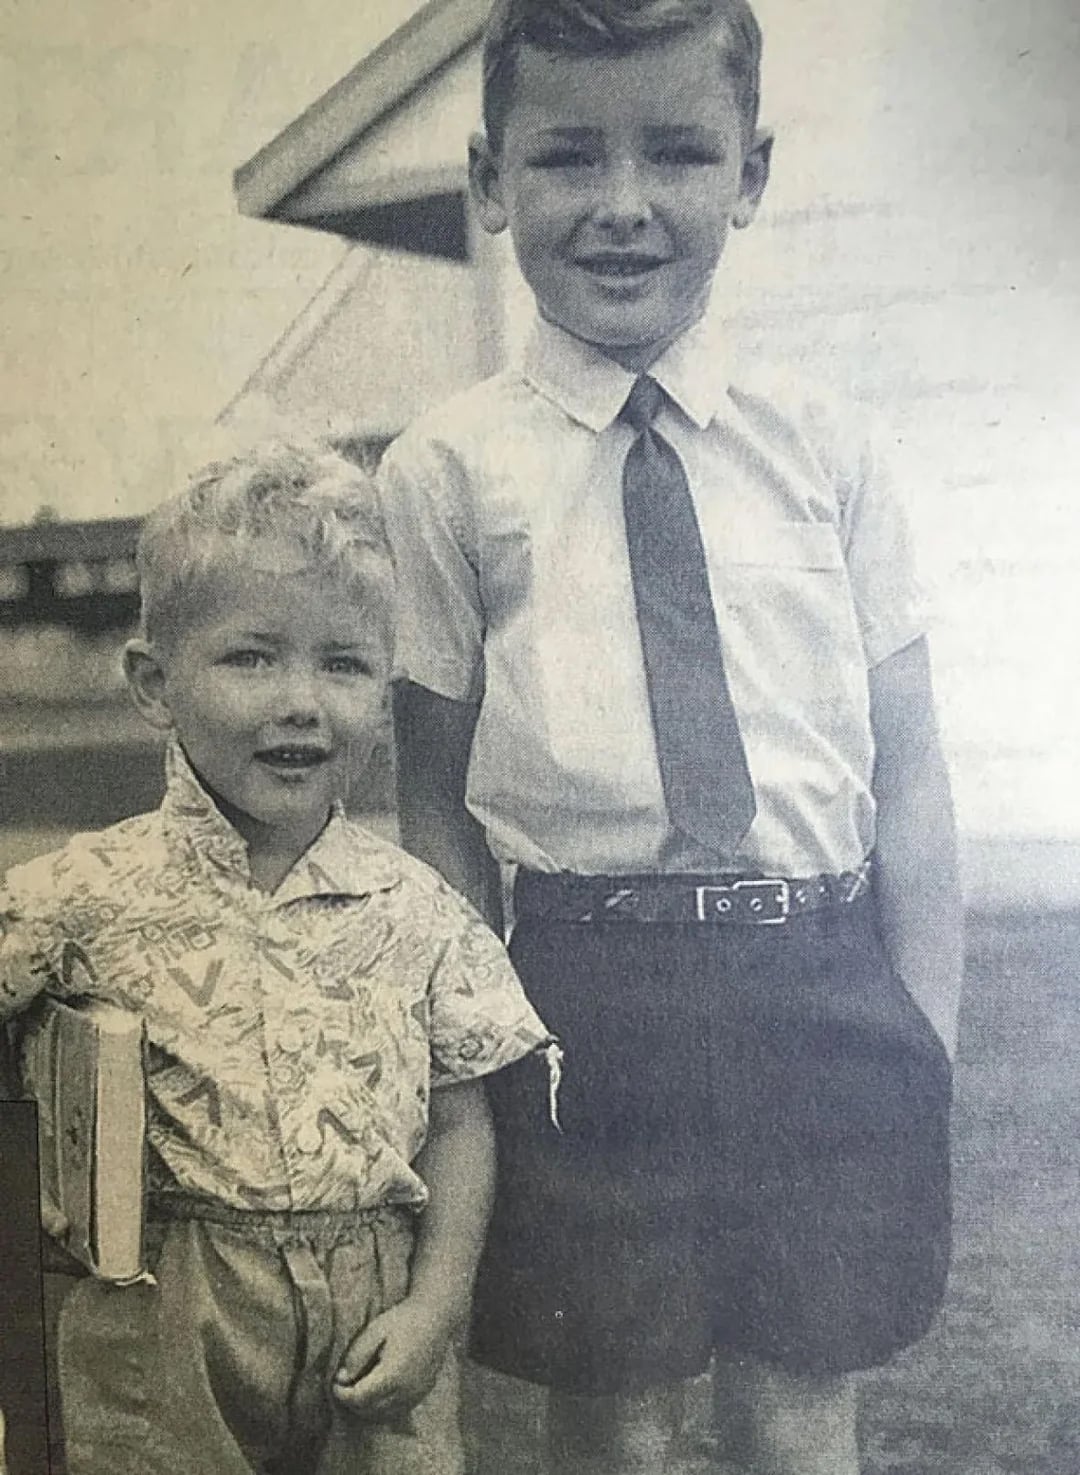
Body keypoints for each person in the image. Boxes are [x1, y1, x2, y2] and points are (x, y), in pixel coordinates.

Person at [379, 1, 963, 1471]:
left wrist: (924, 1030)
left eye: (678, 153)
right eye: (570, 156)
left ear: (748, 176)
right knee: (618, 1415)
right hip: (586, 992)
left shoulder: (828, 444)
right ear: (492, 178)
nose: (624, 204)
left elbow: (914, 766)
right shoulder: (447, 471)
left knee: (799, 1400)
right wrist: (468, 1053)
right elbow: (433, 809)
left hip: (821, 978)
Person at [0, 443, 554, 1475]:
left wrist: (435, 1303)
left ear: (383, 695)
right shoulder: (78, 895)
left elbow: (463, 1118)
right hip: (162, 1308)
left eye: (343, 663)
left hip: (372, 1308)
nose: (302, 700)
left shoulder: (418, 910)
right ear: (154, 685)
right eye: (252, 656)